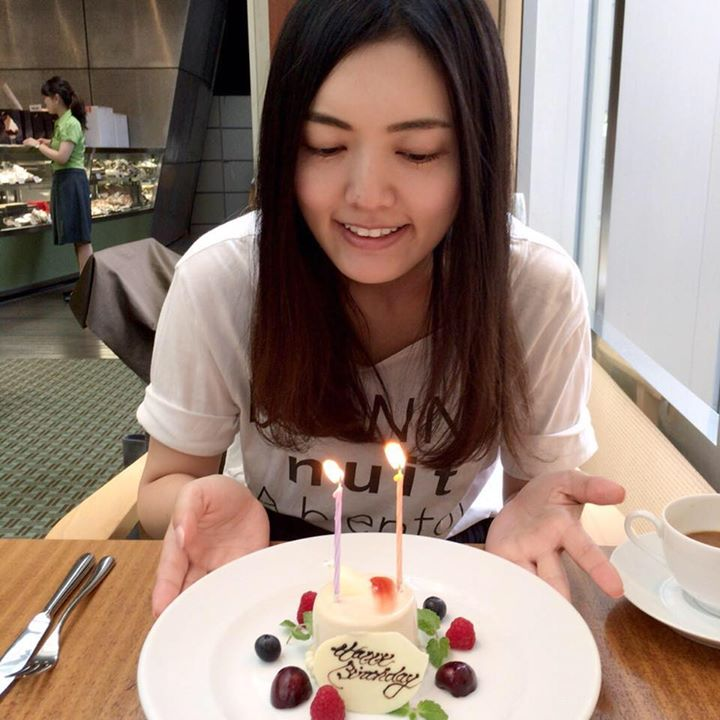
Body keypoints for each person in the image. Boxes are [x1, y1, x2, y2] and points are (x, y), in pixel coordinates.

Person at [137, 0, 625, 618]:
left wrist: (534, 519)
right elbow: (163, 484)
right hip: (270, 559)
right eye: (324, 145)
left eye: (418, 152)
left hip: (460, 566)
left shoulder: (534, 289)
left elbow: (536, 504)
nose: (367, 196)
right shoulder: (224, 278)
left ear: (476, 153)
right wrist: (192, 505)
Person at [23, 76, 93, 281]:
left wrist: (38, 145)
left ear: (56, 98)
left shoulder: (70, 123)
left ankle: (89, 285)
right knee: (78, 237)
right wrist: (49, 142)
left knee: (82, 238)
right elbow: (62, 148)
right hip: (67, 181)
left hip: (71, 181)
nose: (44, 102)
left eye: (46, 98)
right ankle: (86, 284)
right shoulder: (64, 122)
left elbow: (63, 157)